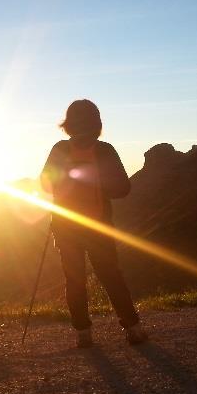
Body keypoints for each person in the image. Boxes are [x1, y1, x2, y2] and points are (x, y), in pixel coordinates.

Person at [40, 99, 146, 347]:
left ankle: (83, 334)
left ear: (68, 123)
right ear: (97, 122)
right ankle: (133, 328)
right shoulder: (104, 150)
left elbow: (44, 185)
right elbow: (123, 189)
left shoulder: (59, 149)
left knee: (74, 279)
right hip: (98, 224)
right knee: (110, 275)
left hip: (66, 225)